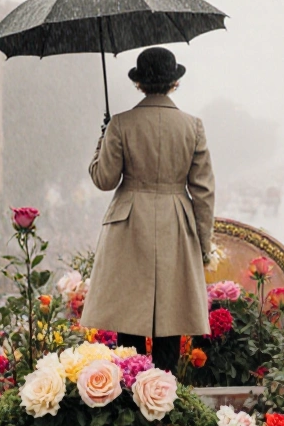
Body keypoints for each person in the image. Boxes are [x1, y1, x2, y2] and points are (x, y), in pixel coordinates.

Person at [80, 47, 216, 372]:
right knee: (171, 319)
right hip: (175, 220)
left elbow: (104, 179)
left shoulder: (121, 124)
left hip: (129, 223)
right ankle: (164, 400)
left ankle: (132, 397)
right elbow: (204, 191)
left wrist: (103, 140)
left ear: (139, 84)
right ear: (174, 82)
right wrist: (203, 245)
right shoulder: (192, 126)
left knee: (129, 321)